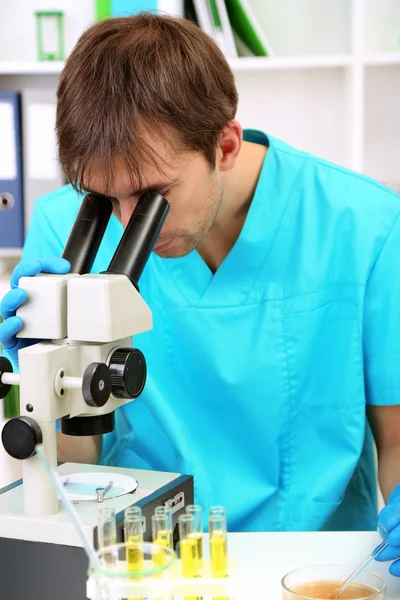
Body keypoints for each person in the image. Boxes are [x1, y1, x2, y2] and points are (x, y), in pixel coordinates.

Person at [1, 13, 400, 575]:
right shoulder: (63, 231)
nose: (124, 220)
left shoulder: (365, 227)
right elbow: (77, 459)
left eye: (151, 195)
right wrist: (40, 395)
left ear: (226, 144)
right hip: (139, 558)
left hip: (313, 568)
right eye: (102, 197)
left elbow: (397, 439)